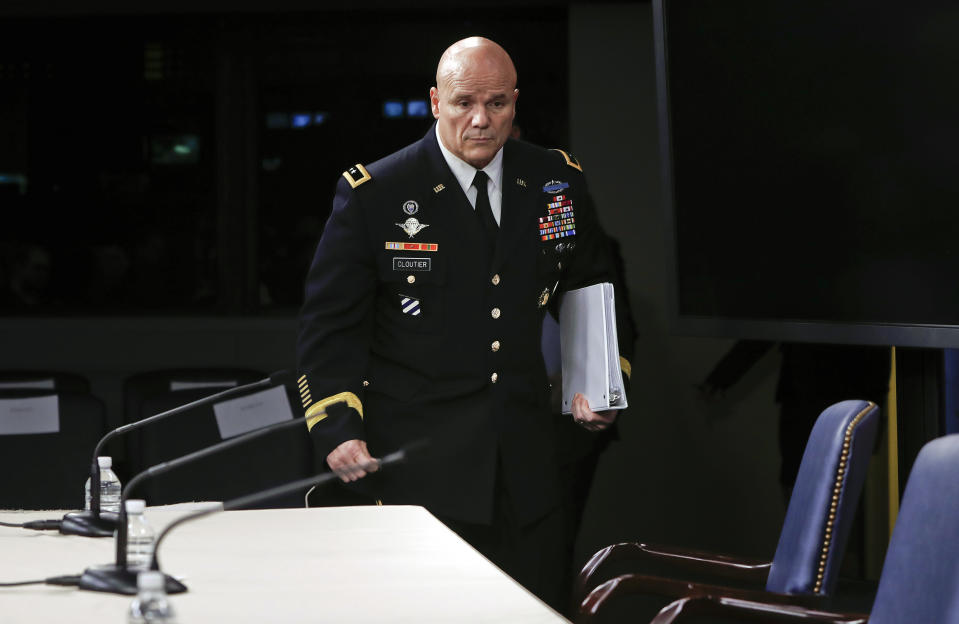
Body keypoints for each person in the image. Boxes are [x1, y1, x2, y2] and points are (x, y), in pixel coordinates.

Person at [296, 36, 634, 608]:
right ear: (435, 102)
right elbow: (332, 326)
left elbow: (590, 287)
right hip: (418, 469)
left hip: (528, 467)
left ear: (515, 103)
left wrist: (597, 382)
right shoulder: (378, 193)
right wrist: (337, 428)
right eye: (464, 103)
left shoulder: (555, 180)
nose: (481, 120)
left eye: (498, 104)